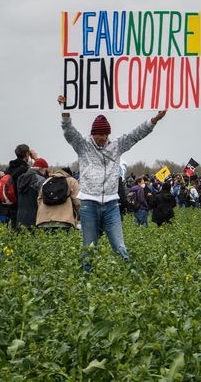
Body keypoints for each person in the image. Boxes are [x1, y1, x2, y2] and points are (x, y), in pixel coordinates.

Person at [57, 96, 166, 272]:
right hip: (89, 205)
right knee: (89, 247)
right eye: (101, 134)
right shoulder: (83, 145)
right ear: (93, 133)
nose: (104, 137)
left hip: (111, 205)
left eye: (106, 134)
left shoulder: (115, 145)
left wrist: (153, 120)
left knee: (119, 246)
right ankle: (86, 279)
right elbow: (69, 131)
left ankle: (129, 277)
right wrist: (65, 111)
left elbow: (135, 135)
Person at [36, 167, 79, 231]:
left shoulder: (47, 180)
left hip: (44, 221)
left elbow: (39, 199)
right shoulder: (72, 181)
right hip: (64, 221)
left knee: (46, 240)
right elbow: (77, 201)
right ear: (69, 174)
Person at [15, 157, 47, 231]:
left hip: (20, 217)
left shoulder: (20, 178)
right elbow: (44, 197)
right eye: (45, 169)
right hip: (34, 217)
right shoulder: (40, 179)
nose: (45, 172)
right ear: (41, 168)